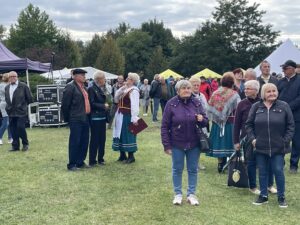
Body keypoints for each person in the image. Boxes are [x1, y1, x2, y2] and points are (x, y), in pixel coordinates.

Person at [245, 83, 294, 208]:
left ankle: (281, 197)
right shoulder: (256, 107)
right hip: (260, 146)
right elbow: (249, 124)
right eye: (269, 91)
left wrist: (285, 141)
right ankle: (263, 196)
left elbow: (290, 126)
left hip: (278, 147)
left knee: (278, 170)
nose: (272, 93)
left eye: (274, 91)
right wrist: (253, 139)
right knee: (262, 172)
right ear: (263, 94)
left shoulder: (284, 106)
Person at [161, 80, 208, 206]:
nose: (187, 90)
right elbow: (164, 126)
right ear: (177, 91)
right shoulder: (171, 104)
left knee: (193, 169)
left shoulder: (197, 102)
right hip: (177, 142)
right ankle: (178, 194)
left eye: (188, 88)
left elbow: (205, 121)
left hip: (194, 143)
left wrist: (202, 119)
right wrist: (166, 145)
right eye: (184, 88)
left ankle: (191, 194)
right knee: (177, 169)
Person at [234, 80, 276, 195]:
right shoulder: (241, 104)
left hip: (265, 136)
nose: (245, 90)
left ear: (256, 90)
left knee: (269, 161)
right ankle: (252, 186)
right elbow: (236, 124)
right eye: (245, 88)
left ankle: (269, 185)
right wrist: (236, 141)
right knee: (251, 162)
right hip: (248, 137)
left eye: (248, 88)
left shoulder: (264, 102)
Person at [206, 72, 240, 173]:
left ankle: (220, 164)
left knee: (219, 143)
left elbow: (209, 107)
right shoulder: (234, 94)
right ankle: (231, 166)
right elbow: (239, 107)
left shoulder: (215, 92)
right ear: (232, 83)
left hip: (217, 122)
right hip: (230, 121)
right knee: (230, 142)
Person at [61, 68, 91, 171]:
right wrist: (68, 119)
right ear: (75, 76)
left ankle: (80, 162)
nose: (84, 76)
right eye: (82, 75)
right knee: (75, 141)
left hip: (85, 117)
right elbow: (65, 105)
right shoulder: (70, 87)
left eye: (84, 75)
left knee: (84, 140)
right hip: (75, 118)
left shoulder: (84, 87)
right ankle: (72, 164)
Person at [277, 60, 300, 174]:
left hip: (296, 116)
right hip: (281, 116)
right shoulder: (280, 81)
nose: (283, 70)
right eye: (283, 68)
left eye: (286, 68)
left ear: (293, 68)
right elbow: (276, 96)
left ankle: (294, 165)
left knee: (296, 141)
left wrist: (287, 107)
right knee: (281, 140)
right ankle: (280, 163)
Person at [112, 72, 140, 163]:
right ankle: (122, 155)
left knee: (128, 134)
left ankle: (131, 156)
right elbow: (116, 99)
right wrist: (122, 88)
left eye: (128, 78)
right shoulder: (125, 89)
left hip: (128, 115)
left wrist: (134, 118)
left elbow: (135, 105)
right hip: (120, 114)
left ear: (132, 80)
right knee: (119, 134)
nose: (126, 79)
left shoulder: (134, 90)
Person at [88, 71, 112, 166]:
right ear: (99, 79)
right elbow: (91, 103)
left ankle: (101, 159)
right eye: (103, 78)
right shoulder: (91, 89)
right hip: (95, 117)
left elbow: (108, 99)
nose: (105, 80)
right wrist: (103, 106)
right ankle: (92, 160)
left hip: (103, 117)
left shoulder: (103, 88)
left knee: (102, 139)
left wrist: (108, 103)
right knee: (95, 140)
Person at [5, 71, 33, 151]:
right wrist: (8, 108)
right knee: (13, 129)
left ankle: (25, 144)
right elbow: (7, 99)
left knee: (20, 127)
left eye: (14, 76)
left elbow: (30, 98)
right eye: (10, 76)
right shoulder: (7, 87)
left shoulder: (23, 86)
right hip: (11, 112)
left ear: (17, 77)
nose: (12, 78)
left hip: (21, 112)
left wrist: (23, 106)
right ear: (9, 78)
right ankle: (15, 146)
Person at [189, 76, 208, 170]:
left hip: (201, 123)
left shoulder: (202, 95)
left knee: (199, 143)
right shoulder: (188, 96)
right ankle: (193, 163)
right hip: (191, 124)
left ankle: (196, 162)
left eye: (198, 85)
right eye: (194, 85)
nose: (196, 87)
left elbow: (206, 109)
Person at [0, 73, 12, 144]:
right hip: (5, 104)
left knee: (10, 122)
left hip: (7, 104)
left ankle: (10, 138)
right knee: (6, 122)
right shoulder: (6, 85)